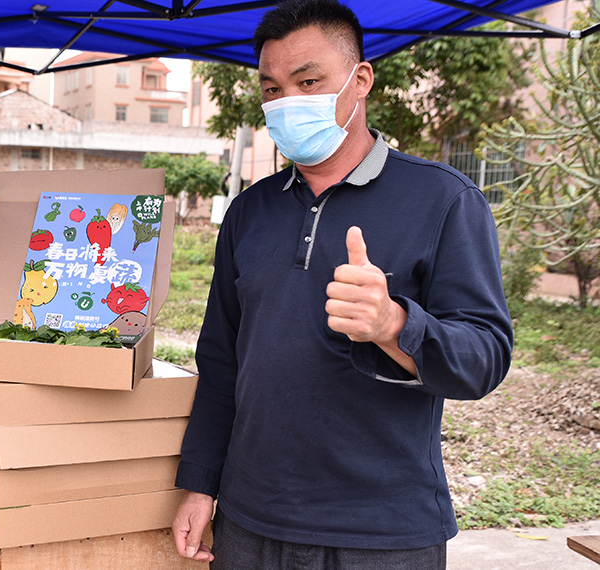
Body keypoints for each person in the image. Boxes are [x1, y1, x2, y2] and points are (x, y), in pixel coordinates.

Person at [170, 1, 514, 568]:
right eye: (273, 88)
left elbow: (485, 359)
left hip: (382, 532)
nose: (287, 102)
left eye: (308, 82)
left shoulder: (444, 201)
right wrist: (201, 483)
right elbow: (221, 360)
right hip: (250, 520)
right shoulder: (248, 212)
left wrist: (394, 324)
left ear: (360, 80)